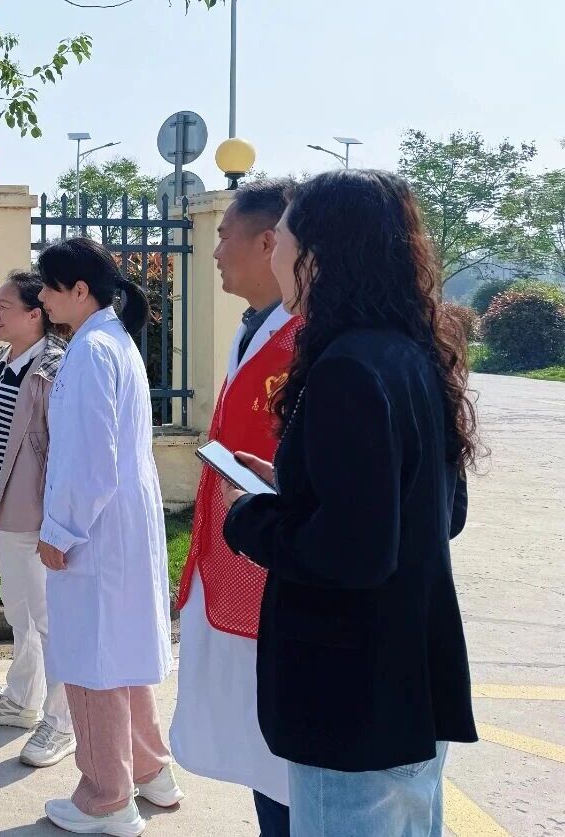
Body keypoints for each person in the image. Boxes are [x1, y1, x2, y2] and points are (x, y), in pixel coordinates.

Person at [222, 169, 479, 837]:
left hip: (352, 695)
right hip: (410, 683)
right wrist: (301, 488)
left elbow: (352, 553)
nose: (273, 253)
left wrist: (250, 516)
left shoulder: (346, 366)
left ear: (318, 253)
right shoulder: (412, 354)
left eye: (283, 237)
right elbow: (438, 512)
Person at [34, 238, 183, 836]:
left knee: (92, 661)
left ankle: (105, 799)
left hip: (94, 526)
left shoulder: (92, 350)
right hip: (121, 522)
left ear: (79, 291)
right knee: (122, 652)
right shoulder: (112, 341)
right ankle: (151, 772)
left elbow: (89, 457)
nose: (42, 299)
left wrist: (59, 529)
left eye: (49, 288)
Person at [169, 179, 298, 836]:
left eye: (224, 236)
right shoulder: (255, 328)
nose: (215, 251)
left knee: (283, 758)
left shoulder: (308, 339)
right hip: (239, 552)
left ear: (270, 242)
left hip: (277, 568)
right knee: (258, 746)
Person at [0, 270, 74, 768]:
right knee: (18, 609)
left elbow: (62, 447)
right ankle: (22, 698)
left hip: (39, 512)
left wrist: (57, 516)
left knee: (47, 617)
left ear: (35, 315)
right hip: (3, 507)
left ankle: (61, 721)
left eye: (4, 307)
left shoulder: (55, 367)